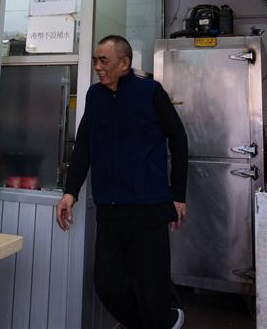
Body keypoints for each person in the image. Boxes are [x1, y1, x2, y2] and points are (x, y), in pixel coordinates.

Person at [56, 35, 189, 329]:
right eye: (95, 60)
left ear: (124, 63)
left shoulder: (150, 91)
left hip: (149, 206)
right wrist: (70, 192)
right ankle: (156, 323)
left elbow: (179, 139)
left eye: (104, 60)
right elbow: (84, 146)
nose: (97, 66)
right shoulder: (94, 96)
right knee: (107, 283)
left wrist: (178, 194)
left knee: (151, 285)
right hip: (110, 208)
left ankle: (165, 319)